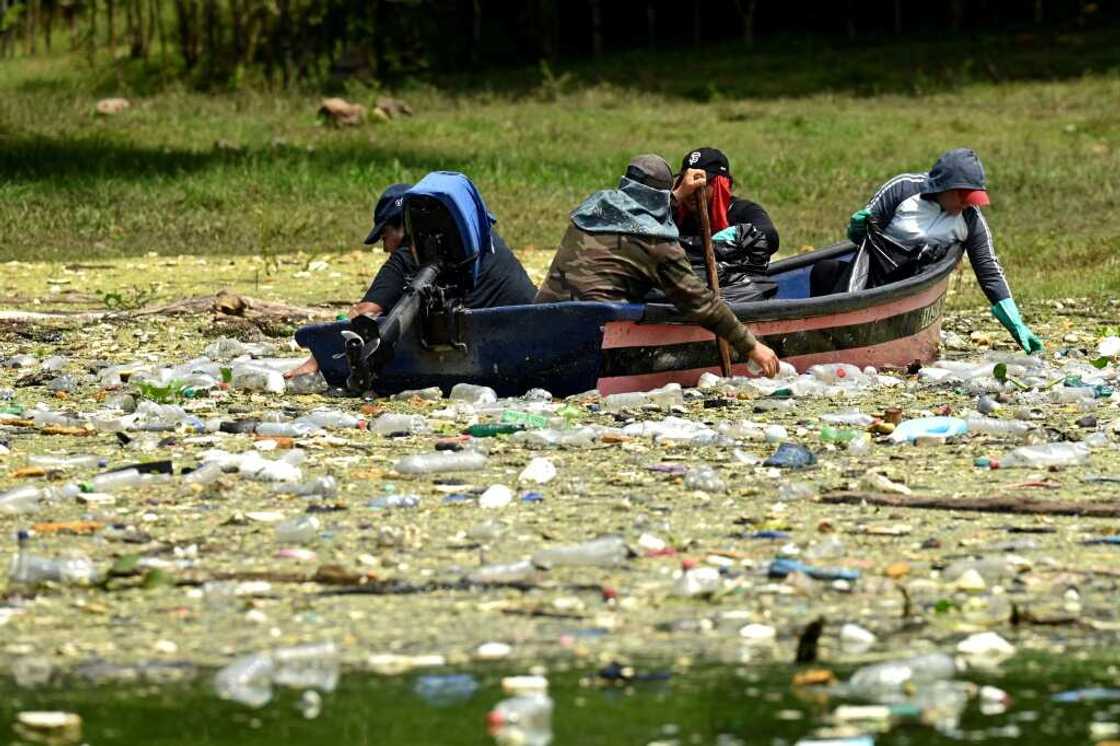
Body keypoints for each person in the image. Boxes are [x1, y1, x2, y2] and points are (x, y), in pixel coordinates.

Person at [534, 153, 781, 377]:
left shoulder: (593, 209)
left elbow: (638, 208)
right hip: (594, 337)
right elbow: (700, 303)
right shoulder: (657, 243)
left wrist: (677, 195)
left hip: (543, 323)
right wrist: (752, 346)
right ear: (662, 194)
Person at [285, 182, 537, 380]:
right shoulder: (475, 237)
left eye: (384, 236)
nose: (385, 249)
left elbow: (364, 314)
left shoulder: (412, 251)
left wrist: (320, 359)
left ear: (404, 226)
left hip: (487, 348)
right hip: (529, 324)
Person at [811, 148, 1042, 353]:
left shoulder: (970, 218)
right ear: (943, 186)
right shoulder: (902, 189)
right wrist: (857, 228)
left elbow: (989, 269)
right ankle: (819, 339)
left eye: (972, 198)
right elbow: (863, 236)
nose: (966, 204)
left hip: (914, 286)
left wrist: (1016, 323)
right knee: (824, 270)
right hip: (873, 277)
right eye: (962, 196)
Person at [671, 147, 780, 301]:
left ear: (719, 184)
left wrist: (731, 239)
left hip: (732, 294)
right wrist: (676, 197)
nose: (692, 190)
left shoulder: (742, 210)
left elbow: (770, 237)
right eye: (687, 181)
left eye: (702, 183)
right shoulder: (674, 213)